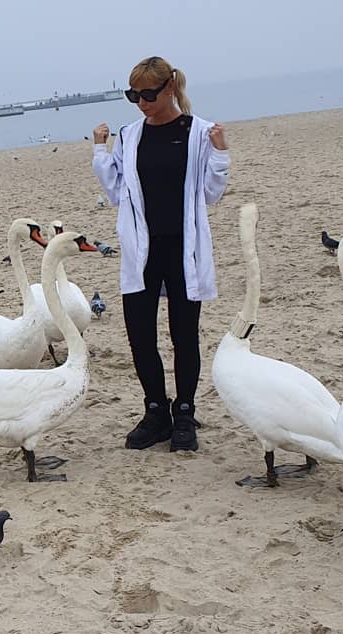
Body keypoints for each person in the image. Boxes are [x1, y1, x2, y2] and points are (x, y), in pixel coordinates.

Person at [91, 55, 230, 453]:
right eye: (133, 95)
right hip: (142, 250)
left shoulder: (198, 133)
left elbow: (211, 194)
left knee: (184, 336)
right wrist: (100, 151)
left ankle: (184, 413)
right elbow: (116, 191)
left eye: (148, 94)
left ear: (169, 88)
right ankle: (156, 411)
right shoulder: (130, 135)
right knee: (139, 335)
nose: (141, 103)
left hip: (183, 248)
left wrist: (220, 154)